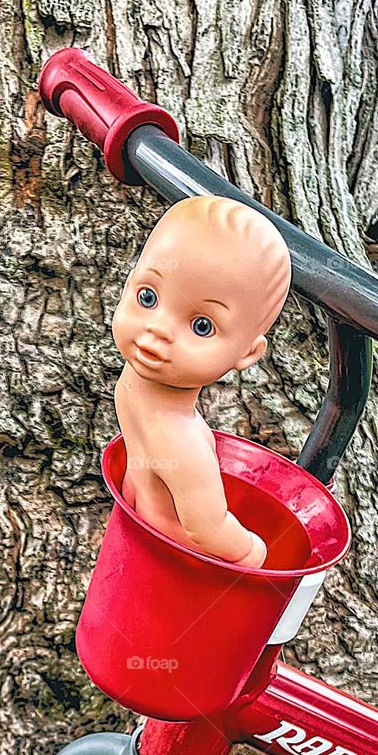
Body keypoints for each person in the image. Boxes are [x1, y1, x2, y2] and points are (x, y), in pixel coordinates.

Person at [111, 195, 292, 567]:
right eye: (148, 297)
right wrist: (255, 552)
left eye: (201, 326)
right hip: (179, 575)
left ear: (247, 352)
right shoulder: (181, 440)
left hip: (136, 545)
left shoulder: (130, 386)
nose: (158, 329)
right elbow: (207, 530)